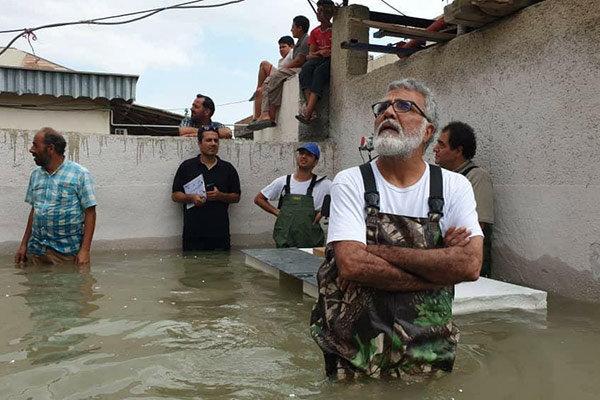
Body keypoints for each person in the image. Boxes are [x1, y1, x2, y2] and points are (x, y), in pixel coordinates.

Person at [310, 79, 483, 380]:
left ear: (428, 130)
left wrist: (376, 251)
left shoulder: (454, 186)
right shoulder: (351, 181)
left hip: (427, 349)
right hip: (353, 348)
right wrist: (437, 270)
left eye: (404, 106)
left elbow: (469, 265)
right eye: (383, 107)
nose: (388, 112)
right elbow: (352, 264)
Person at [15, 127, 97, 269]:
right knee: (36, 290)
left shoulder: (80, 174)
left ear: (50, 148)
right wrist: (24, 245)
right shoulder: (35, 175)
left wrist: (85, 251)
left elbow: (90, 212)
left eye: (35, 145)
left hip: (66, 254)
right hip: (37, 251)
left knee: (68, 290)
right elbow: (35, 210)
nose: (31, 150)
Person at [434, 121, 494, 277]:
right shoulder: (441, 178)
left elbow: (473, 230)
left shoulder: (476, 177)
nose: (435, 149)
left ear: (458, 150)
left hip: (468, 267)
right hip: (442, 262)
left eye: (442, 145)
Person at [171, 124, 241, 251]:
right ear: (199, 143)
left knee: (222, 269)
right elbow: (175, 195)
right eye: (208, 140)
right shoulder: (187, 167)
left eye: (216, 140)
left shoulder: (228, 168)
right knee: (192, 270)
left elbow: (236, 197)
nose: (213, 144)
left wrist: (221, 196)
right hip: (193, 235)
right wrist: (192, 198)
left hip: (220, 235)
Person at [254, 142, 332, 248]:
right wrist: (277, 212)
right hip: (285, 243)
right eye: (301, 153)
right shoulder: (283, 182)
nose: (304, 156)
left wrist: (323, 211)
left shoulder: (324, 184)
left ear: (316, 162)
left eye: (309, 155)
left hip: (311, 243)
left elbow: (342, 200)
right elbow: (259, 199)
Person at [247, 15, 311, 131]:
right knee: (272, 84)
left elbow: (299, 60)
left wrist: (283, 68)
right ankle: (269, 116)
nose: (291, 29)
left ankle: (266, 113)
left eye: (293, 27)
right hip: (294, 69)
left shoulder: (305, 40)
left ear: (300, 28)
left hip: (299, 69)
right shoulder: (299, 42)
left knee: (269, 80)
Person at [295, 0, 334, 125]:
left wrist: (329, 52)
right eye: (318, 11)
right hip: (319, 58)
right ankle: (311, 111)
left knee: (319, 72)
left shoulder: (335, 29)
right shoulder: (314, 32)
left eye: (321, 11)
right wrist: (320, 53)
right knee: (305, 70)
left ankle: (308, 113)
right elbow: (310, 55)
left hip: (332, 61)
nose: (318, 14)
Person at [251, 36, 295, 121]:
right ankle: (256, 116)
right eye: (280, 47)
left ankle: (260, 114)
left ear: (291, 46)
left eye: (284, 47)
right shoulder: (281, 60)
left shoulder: (292, 53)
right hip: (280, 75)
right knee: (263, 68)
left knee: (264, 64)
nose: (281, 49)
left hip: (285, 74)